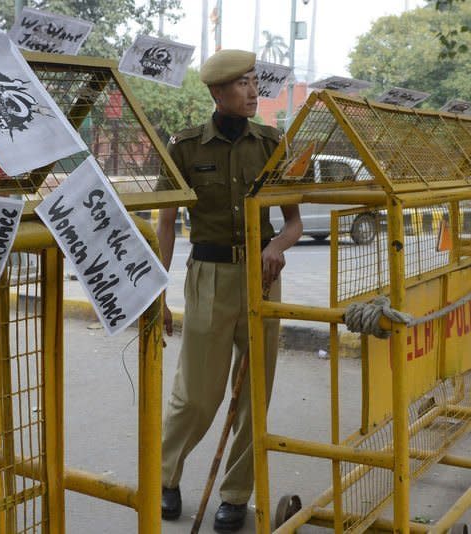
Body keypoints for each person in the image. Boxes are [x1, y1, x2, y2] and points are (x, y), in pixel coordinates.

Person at [157, 49, 302, 532]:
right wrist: (158, 293)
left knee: (253, 394)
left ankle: (236, 495)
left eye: (254, 81)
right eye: (241, 83)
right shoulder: (186, 146)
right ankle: (165, 475)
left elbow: (294, 222)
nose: (253, 90)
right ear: (217, 92)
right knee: (197, 394)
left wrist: (278, 245)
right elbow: (166, 223)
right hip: (209, 276)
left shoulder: (272, 143)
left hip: (263, 280)